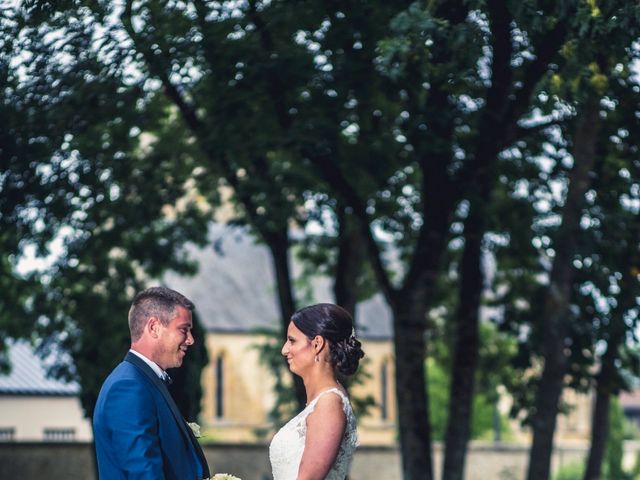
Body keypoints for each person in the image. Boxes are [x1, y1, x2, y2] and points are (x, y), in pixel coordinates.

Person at [93, 286, 210, 480]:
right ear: (154, 327)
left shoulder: (143, 381)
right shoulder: (128, 387)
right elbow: (144, 474)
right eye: (184, 329)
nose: (190, 340)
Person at [269, 303, 365, 480]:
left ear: (317, 344)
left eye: (292, 341)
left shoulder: (329, 404)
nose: (284, 350)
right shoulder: (320, 403)